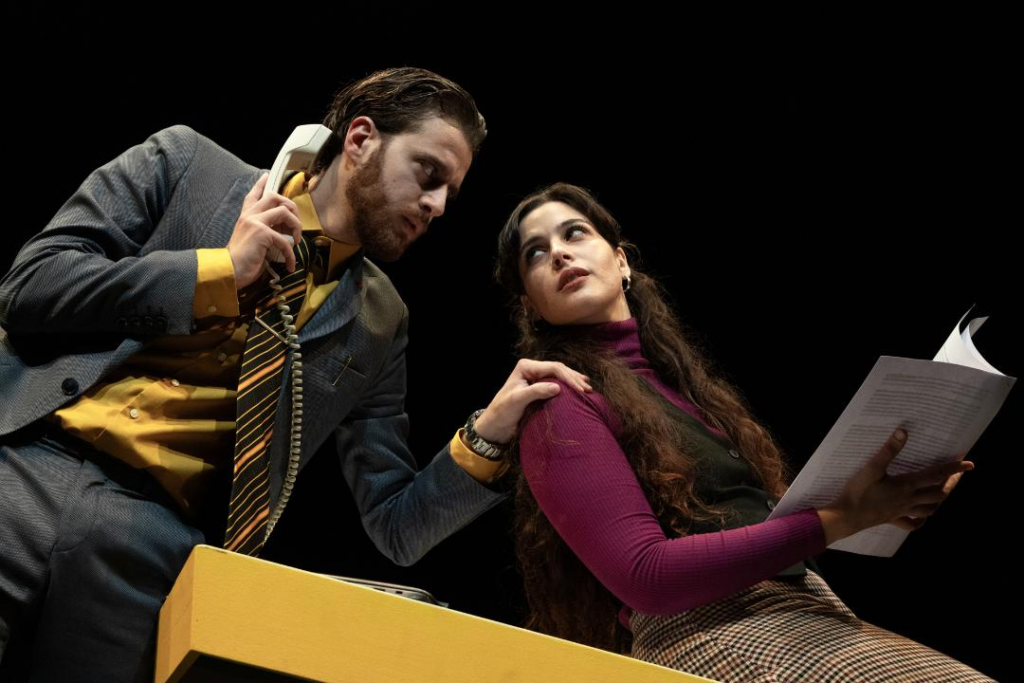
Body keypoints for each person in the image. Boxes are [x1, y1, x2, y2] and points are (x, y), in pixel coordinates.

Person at [0, 68, 587, 681]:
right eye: (428, 173)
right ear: (360, 139)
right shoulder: (186, 165)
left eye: (449, 194)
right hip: (27, 464)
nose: (437, 206)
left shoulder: (381, 320)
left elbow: (398, 526)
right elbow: (30, 287)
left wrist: (487, 436)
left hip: (150, 543)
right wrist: (218, 272)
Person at [493, 182, 991, 681]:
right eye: (535, 253)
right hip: (711, 630)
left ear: (622, 262)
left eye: (575, 233)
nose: (559, 253)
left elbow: (758, 528)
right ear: (531, 305)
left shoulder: (681, 387)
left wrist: (886, 498)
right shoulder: (558, 403)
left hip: (802, 610)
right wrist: (839, 518)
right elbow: (646, 575)